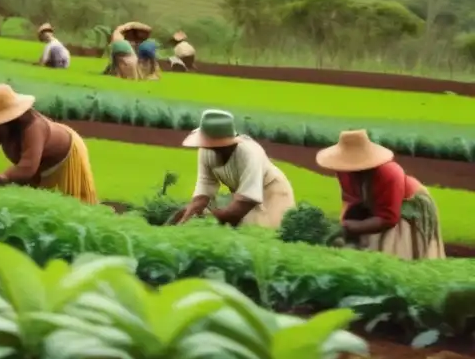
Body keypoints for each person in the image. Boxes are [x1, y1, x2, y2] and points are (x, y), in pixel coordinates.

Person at [0, 84, 97, 205]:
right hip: (38, 164)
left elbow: (27, 167)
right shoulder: (0, 127)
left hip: (65, 155)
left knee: (73, 203)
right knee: (32, 201)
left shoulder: (34, 128)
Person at [316, 130, 445, 260]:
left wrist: (353, 226)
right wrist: (343, 222)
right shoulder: (344, 172)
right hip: (373, 204)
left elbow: (388, 218)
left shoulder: (389, 173)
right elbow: (349, 198)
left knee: (395, 251)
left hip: (406, 206)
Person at [175, 109, 296, 228]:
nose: (211, 147)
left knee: (266, 231)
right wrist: (184, 220)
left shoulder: (249, 153)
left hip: (272, 192)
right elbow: (204, 189)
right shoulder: (206, 152)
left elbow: (246, 200)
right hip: (243, 195)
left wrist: (215, 217)